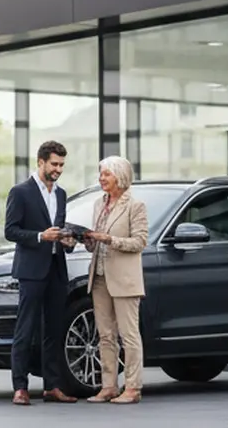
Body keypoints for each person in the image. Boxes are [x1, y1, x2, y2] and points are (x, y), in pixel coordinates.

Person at [3, 141, 79, 406]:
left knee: (54, 330)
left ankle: (52, 386)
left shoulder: (60, 194)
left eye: (61, 165)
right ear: (41, 162)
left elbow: (58, 229)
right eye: (54, 164)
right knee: (26, 328)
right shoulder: (20, 192)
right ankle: (20, 387)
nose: (58, 169)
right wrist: (40, 236)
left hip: (57, 269)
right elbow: (10, 231)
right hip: (32, 271)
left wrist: (66, 241)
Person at [83, 156, 148, 405]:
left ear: (120, 177)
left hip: (124, 279)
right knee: (105, 335)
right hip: (99, 277)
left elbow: (140, 242)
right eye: (100, 174)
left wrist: (109, 239)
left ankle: (132, 388)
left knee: (129, 335)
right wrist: (88, 239)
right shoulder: (99, 204)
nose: (101, 178)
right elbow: (97, 241)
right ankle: (108, 386)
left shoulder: (136, 205)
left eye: (106, 174)